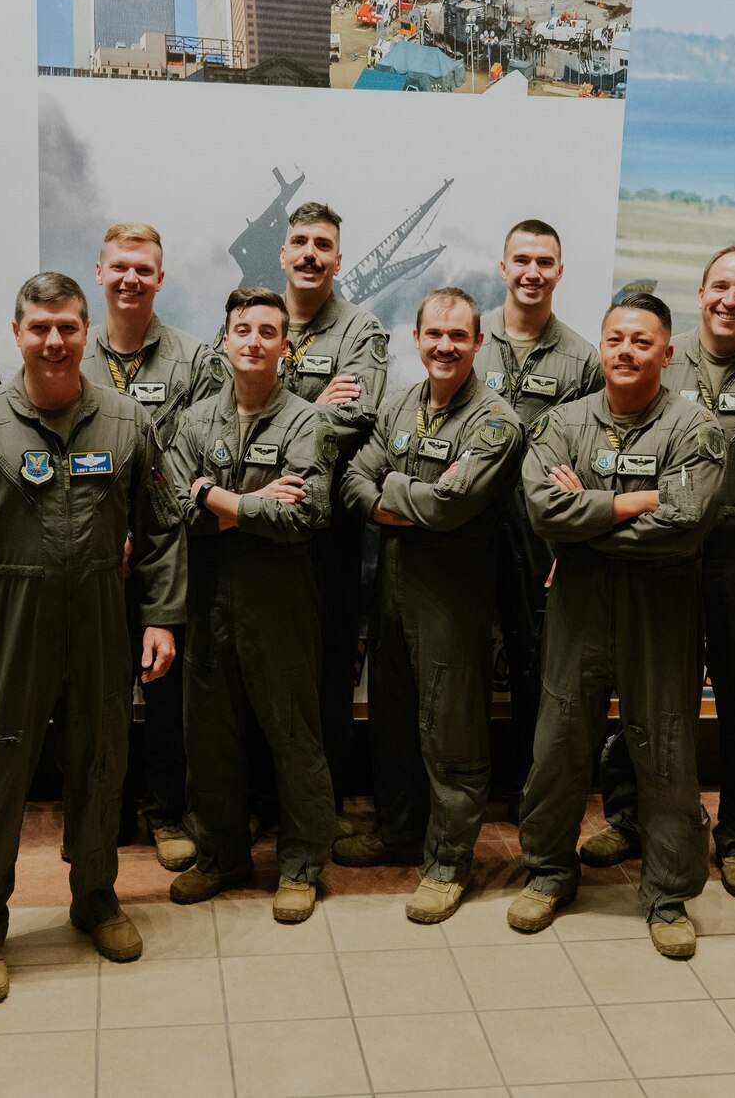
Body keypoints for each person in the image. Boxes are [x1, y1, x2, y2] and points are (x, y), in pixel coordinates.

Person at [0, 272, 186, 1004]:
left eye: (68, 326)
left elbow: (160, 530)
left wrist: (160, 617)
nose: (55, 341)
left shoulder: (127, 422)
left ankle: (96, 898)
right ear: (17, 331)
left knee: (101, 764)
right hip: (5, 628)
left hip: (99, 621)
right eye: (40, 327)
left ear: (84, 329)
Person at [582, 247, 735, 902]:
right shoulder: (666, 354)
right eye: (721, 285)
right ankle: (637, 816)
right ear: (700, 291)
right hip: (662, 549)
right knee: (654, 692)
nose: (731, 299)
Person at [509, 293, 726, 959]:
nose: (627, 351)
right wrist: (639, 500)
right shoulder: (563, 422)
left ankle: (666, 893)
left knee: (664, 748)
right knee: (558, 740)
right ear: (601, 347)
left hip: (660, 611)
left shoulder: (697, 429)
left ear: (668, 352)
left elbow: (685, 525)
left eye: (642, 341)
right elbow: (544, 510)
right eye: (615, 339)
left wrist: (588, 519)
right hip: (580, 611)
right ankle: (549, 869)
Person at [341, 288, 523, 923]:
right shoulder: (399, 403)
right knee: (391, 719)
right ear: (416, 340)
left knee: (450, 731)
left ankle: (448, 862)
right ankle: (397, 831)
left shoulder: (495, 421)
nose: (445, 345)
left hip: (451, 595)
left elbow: (451, 507)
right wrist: (404, 496)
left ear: (478, 343)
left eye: (458, 335)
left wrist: (391, 490)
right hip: (391, 589)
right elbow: (348, 481)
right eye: (433, 335)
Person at [164, 287, 337, 924]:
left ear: (285, 348)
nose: (255, 341)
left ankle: (300, 867)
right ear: (225, 340)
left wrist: (214, 495)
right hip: (209, 604)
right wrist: (247, 506)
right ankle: (222, 855)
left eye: (269, 331)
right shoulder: (192, 422)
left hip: (280, 605)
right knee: (211, 738)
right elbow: (172, 507)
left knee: (294, 736)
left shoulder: (307, 422)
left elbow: (308, 514)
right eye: (244, 329)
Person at [83, 222, 222, 871]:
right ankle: (107, 808)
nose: (131, 277)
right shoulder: (69, 353)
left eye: (143, 267)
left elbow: (202, 458)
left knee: (166, 690)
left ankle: (168, 810)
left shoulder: (195, 360)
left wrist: (146, 529)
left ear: (160, 277)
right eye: (120, 266)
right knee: (97, 688)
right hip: (89, 554)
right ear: (100, 272)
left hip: (167, 550)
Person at [476, 220, 603, 791]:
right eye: (521, 260)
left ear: (559, 271)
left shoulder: (582, 360)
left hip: (539, 534)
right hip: (467, 525)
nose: (532, 272)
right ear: (503, 268)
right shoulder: (467, 340)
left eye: (544, 262)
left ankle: (532, 798)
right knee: (460, 663)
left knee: (536, 665)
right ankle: (463, 795)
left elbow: (594, 458)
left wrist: (568, 543)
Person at [273, 204, 388, 823]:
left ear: (339, 260)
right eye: (300, 242)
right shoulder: (254, 317)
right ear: (283, 253)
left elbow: (354, 416)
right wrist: (314, 404)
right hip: (259, 525)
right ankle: (267, 801)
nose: (311, 253)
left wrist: (275, 414)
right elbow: (220, 401)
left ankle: (325, 806)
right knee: (264, 672)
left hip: (328, 532)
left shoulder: (361, 332)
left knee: (324, 677)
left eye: (323, 244)